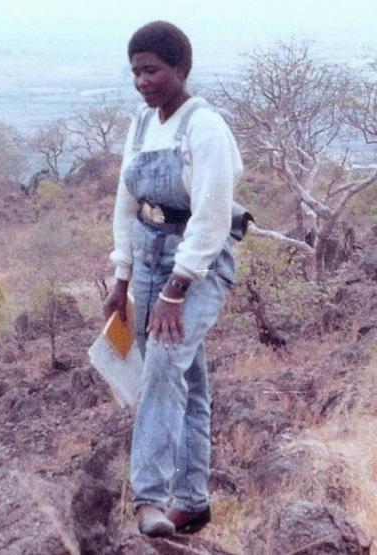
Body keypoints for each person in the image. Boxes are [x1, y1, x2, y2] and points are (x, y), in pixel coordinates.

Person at [102, 21, 243, 537]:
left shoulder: (204, 128)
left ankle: (150, 499)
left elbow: (210, 217)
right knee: (188, 379)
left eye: (153, 70)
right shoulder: (140, 126)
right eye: (136, 71)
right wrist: (121, 278)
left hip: (197, 265)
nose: (142, 80)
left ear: (180, 69)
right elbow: (126, 203)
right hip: (148, 255)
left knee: (162, 367)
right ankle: (192, 500)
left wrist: (174, 292)